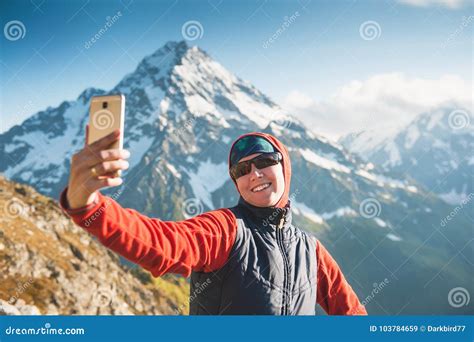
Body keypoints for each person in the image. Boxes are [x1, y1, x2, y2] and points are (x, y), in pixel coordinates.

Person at [59, 126, 367, 315]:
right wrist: (90, 208)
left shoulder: (310, 250)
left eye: (263, 163)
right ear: (235, 183)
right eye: (241, 171)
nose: (254, 174)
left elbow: (351, 313)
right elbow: (164, 243)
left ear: (283, 167)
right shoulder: (226, 230)